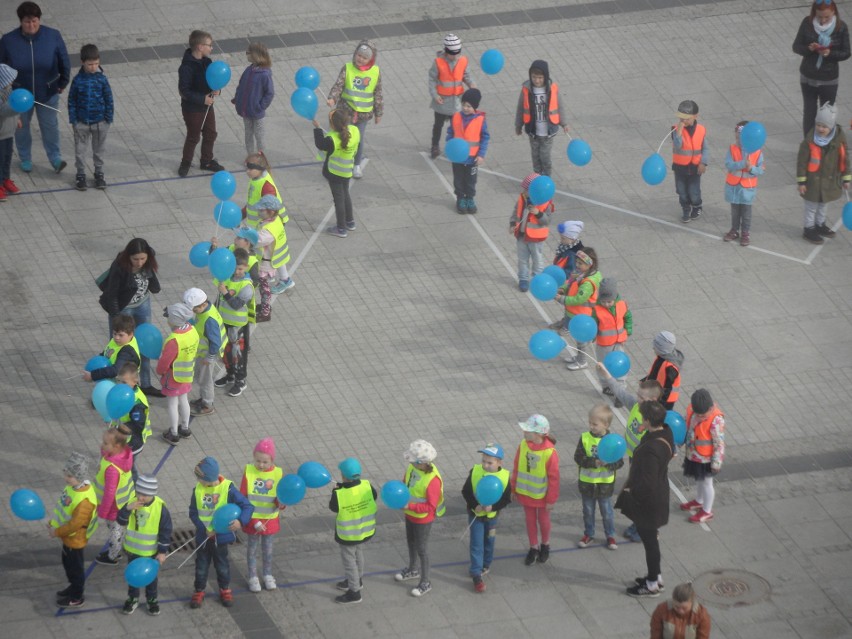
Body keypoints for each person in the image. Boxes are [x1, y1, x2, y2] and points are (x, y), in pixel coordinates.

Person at [0, 1, 70, 173]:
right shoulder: (8, 40)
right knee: (21, 128)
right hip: (18, 95)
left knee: (50, 126)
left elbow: (64, 61)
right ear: (20, 21)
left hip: (47, 92)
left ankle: (55, 158)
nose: (31, 25)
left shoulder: (53, 36)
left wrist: (62, 83)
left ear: (39, 20)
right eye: (27, 21)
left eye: (34, 21)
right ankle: (25, 158)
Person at [597, 366, 664, 542]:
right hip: (635, 458)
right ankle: (640, 524)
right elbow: (620, 392)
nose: (638, 399)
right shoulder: (636, 406)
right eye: (639, 395)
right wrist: (607, 376)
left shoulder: (657, 420)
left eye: (642, 397)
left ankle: (649, 529)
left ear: (654, 399)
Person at [616, 401, 674, 598]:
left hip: (649, 503)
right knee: (652, 541)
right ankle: (655, 577)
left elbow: (647, 482)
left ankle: (651, 584)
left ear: (648, 421)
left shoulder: (651, 449)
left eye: (643, 418)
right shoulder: (666, 433)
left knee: (650, 543)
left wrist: (633, 493)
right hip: (659, 495)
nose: (641, 420)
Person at [98, 238, 163, 397]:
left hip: (143, 304)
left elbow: (151, 280)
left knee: (144, 344)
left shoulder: (148, 259)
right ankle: (115, 386)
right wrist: (116, 319)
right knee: (120, 348)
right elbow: (112, 294)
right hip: (123, 309)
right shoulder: (120, 266)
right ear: (128, 257)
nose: (140, 262)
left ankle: (146, 384)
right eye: (135, 259)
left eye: (143, 258)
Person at [189, 456, 254, 609]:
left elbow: (248, 506)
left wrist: (240, 522)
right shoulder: (197, 490)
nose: (198, 481)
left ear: (209, 477)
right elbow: (193, 512)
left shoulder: (228, 489)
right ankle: (199, 591)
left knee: (222, 565)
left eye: (200, 478)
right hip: (203, 537)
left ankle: (225, 589)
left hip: (221, 538)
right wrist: (204, 528)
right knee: (201, 566)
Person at [326, 39, 382, 179]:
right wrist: (333, 97)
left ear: (370, 59)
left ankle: (356, 165)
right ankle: (333, 161)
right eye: (359, 55)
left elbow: (378, 93)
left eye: (364, 57)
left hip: (363, 114)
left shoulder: (375, 72)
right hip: (346, 111)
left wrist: (378, 112)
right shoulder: (347, 68)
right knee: (341, 136)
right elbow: (339, 84)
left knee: (359, 140)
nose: (360, 59)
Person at [793, 1, 851, 137]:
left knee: (827, 114)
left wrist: (829, 54)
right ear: (814, 13)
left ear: (834, 13)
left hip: (828, 77)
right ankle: (808, 143)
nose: (823, 20)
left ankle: (826, 142)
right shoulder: (807, 23)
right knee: (809, 112)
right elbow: (796, 46)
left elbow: (846, 52)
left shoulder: (841, 27)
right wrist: (809, 49)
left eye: (827, 17)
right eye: (819, 17)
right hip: (808, 75)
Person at [117, 474, 172, 616]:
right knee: (134, 576)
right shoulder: (131, 503)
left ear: (152, 494)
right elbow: (121, 521)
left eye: (145, 495)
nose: (141, 497)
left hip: (150, 553)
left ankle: (152, 599)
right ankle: (132, 598)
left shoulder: (160, 508)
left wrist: (162, 551)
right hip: (132, 551)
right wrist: (127, 509)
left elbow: (165, 531)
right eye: (139, 493)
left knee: (151, 578)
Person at [395, 439, 444, 597]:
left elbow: (431, 506)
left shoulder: (433, 481)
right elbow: (406, 482)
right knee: (411, 542)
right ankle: (412, 569)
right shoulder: (412, 467)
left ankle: (425, 581)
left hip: (423, 519)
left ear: (423, 463)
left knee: (422, 549)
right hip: (410, 515)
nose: (410, 463)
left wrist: (410, 506)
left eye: (413, 461)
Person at [49, 452, 98, 608]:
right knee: (67, 564)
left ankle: (77, 596)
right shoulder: (73, 487)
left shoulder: (84, 501)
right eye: (66, 474)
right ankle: (73, 587)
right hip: (67, 537)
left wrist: (55, 532)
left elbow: (75, 524)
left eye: (69, 476)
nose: (66, 478)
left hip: (75, 539)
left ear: (79, 476)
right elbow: (63, 508)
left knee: (75, 569)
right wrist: (53, 522)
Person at [460, 444, 511, 593]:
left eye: (490, 462)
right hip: (475, 515)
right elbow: (466, 491)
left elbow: (506, 499)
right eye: (484, 461)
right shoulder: (475, 471)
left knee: (489, 540)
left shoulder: (505, 476)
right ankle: (476, 573)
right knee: (476, 544)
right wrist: (474, 505)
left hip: (492, 518)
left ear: (499, 463)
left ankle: (486, 564)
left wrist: (493, 507)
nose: (485, 465)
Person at [797, 101, 849, 244]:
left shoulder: (838, 139)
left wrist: (846, 178)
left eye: (824, 126)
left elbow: (845, 158)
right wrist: (802, 181)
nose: (821, 128)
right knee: (811, 207)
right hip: (812, 182)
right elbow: (801, 163)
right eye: (819, 125)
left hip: (828, 182)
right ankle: (809, 228)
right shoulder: (809, 141)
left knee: (823, 205)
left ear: (831, 126)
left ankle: (820, 225)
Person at [511, 414, 559, 566]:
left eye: (527, 430)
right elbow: (517, 467)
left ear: (538, 434)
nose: (524, 433)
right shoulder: (523, 445)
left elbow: (554, 478)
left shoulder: (549, 452)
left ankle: (545, 545)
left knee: (543, 521)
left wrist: (551, 499)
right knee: (530, 521)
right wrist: (514, 489)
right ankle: (533, 547)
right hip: (526, 493)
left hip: (542, 496)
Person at [575, 404, 624, 550]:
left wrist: (608, 463)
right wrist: (594, 462)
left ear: (606, 424)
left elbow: (619, 462)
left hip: (605, 485)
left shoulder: (613, 441)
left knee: (607, 512)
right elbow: (578, 457)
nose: (591, 426)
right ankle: (589, 534)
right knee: (588, 511)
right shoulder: (584, 438)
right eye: (590, 422)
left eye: (595, 424)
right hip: (587, 483)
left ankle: (610, 535)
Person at [330, 456, 377, 605]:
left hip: (348, 534)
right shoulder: (366, 485)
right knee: (358, 553)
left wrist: (335, 491)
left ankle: (354, 592)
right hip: (364, 530)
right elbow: (373, 496)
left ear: (344, 476)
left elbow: (333, 507)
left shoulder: (340, 493)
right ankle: (358, 579)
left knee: (349, 561)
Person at [240, 438, 285, 593]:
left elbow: (281, 496)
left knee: (268, 550)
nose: (260, 465)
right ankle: (252, 576)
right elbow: (243, 498)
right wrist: (254, 521)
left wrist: (281, 504)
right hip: (253, 521)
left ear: (272, 460)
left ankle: (267, 574)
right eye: (258, 460)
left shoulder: (278, 473)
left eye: (265, 462)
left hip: (270, 521)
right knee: (252, 549)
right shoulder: (249, 471)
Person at [178, 30, 224, 177]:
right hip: (192, 108)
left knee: (211, 133)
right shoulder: (187, 67)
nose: (211, 48)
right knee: (193, 136)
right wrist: (202, 99)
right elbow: (184, 91)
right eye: (209, 45)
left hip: (207, 106)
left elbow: (212, 80)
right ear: (199, 47)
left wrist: (217, 89)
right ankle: (185, 162)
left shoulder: (207, 62)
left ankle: (206, 161)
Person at [68, 43, 113, 191]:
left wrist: (108, 119)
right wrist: (74, 120)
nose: (93, 67)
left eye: (96, 64)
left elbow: (109, 99)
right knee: (80, 151)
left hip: (100, 122)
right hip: (81, 123)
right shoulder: (77, 80)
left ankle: (99, 173)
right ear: (82, 62)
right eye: (90, 64)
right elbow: (71, 101)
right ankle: (80, 174)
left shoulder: (102, 79)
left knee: (99, 149)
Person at [514, 59, 569, 176]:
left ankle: (547, 177)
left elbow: (560, 106)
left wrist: (564, 123)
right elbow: (520, 108)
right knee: (535, 155)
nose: (537, 80)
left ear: (545, 76)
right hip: (533, 130)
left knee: (545, 156)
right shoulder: (526, 89)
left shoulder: (552, 89)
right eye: (534, 77)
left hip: (548, 131)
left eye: (540, 77)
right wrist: (518, 125)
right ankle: (537, 177)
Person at [680, 389, 725, 524]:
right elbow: (686, 426)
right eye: (697, 414)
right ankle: (699, 501)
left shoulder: (716, 420)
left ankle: (707, 510)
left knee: (707, 483)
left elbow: (719, 444)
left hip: (706, 459)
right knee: (698, 479)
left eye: (703, 415)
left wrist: (716, 463)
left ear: (711, 408)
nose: (700, 417)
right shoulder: (692, 411)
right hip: (694, 455)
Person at [213, 249, 254, 397]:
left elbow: (236, 304)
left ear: (246, 268)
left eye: (240, 269)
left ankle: (240, 381)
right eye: (234, 268)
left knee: (238, 354)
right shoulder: (226, 278)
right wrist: (213, 250)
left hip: (237, 326)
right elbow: (215, 268)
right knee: (226, 351)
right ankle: (230, 375)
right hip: (224, 322)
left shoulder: (246, 286)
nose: (237, 271)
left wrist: (225, 292)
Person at [313, 109, 360, 238]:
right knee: (345, 195)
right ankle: (350, 222)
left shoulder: (332, 139)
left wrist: (317, 129)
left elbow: (320, 144)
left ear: (333, 125)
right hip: (347, 170)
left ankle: (341, 228)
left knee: (338, 199)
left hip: (334, 172)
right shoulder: (355, 131)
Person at [428, 33, 475, 159]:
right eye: (452, 53)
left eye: (457, 53)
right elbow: (432, 79)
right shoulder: (438, 62)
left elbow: (466, 75)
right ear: (446, 51)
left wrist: (471, 84)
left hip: (457, 102)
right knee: (438, 125)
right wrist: (435, 95)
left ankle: (454, 147)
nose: (455, 56)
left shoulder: (463, 60)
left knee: (456, 126)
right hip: (441, 102)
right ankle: (435, 146)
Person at [93, 424, 134, 566]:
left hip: (114, 506)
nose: (102, 445)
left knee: (115, 530)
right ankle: (118, 548)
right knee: (118, 528)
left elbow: (110, 493)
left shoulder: (112, 469)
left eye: (105, 443)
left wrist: (103, 512)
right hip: (123, 501)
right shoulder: (122, 454)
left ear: (116, 446)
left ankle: (113, 555)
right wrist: (105, 449)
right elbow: (105, 454)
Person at [158, 303, 199, 445]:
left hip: (173, 376)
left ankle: (174, 433)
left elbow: (165, 362)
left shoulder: (174, 340)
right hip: (187, 374)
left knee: (172, 403)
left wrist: (160, 371)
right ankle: (185, 428)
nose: (167, 319)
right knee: (184, 400)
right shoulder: (192, 330)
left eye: (168, 317)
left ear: (174, 320)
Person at [183, 287, 225, 417]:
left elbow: (215, 341)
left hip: (207, 354)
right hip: (205, 352)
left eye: (194, 309)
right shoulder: (207, 310)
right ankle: (204, 399)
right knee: (203, 378)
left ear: (202, 304)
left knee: (206, 380)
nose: (193, 311)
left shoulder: (209, 320)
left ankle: (207, 405)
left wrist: (210, 357)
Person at [557, 248, 601, 371]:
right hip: (574, 313)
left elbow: (579, 299)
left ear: (589, 264)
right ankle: (579, 357)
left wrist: (562, 299)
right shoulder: (581, 274)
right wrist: (563, 289)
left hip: (581, 316)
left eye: (580, 263)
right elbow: (571, 283)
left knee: (581, 340)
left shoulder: (588, 282)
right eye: (577, 262)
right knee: (578, 339)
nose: (577, 265)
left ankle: (582, 362)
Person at [446, 88, 489, 213]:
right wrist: (449, 145)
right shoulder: (456, 117)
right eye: (463, 105)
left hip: (472, 158)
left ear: (475, 107)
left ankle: (469, 198)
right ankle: (460, 198)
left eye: (469, 106)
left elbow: (485, 137)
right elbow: (451, 132)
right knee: (458, 179)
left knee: (471, 180)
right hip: (457, 157)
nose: (465, 108)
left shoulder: (480, 120)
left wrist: (481, 155)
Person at [724, 120, 765, 247]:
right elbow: (728, 165)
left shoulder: (757, 152)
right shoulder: (732, 149)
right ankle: (734, 230)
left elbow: (761, 170)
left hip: (748, 189)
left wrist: (751, 168)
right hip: (734, 187)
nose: (738, 139)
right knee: (735, 212)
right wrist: (742, 163)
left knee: (746, 213)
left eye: (740, 136)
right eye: (736, 136)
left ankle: (745, 233)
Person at [511, 172, 553, 292]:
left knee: (537, 259)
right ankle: (523, 279)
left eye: (526, 189)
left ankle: (537, 279)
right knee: (522, 259)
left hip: (536, 238)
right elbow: (516, 212)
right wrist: (513, 224)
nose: (524, 191)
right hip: (522, 236)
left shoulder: (545, 203)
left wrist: (538, 213)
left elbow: (547, 220)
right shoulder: (522, 199)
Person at [591, 278, 632, 402]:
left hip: (619, 343)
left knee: (620, 365)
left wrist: (628, 330)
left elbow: (628, 317)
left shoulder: (622, 304)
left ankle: (620, 391)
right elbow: (593, 325)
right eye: (603, 301)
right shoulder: (596, 310)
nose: (606, 304)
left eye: (609, 301)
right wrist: (591, 335)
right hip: (603, 345)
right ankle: (606, 386)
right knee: (602, 366)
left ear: (615, 297)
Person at [671, 100, 709, 224]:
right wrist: (679, 132)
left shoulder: (701, 130)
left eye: (686, 118)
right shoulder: (675, 130)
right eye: (681, 118)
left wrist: (703, 162)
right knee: (681, 190)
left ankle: (697, 206)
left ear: (695, 116)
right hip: (680, 168)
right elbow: (678, 146)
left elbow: (705, 148)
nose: (683, 121)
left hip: (694, 168)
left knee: (694, 191)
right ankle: (685, 208)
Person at [233, 42, 274, 155]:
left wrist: (260, 106)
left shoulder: (264, 74)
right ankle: (250, 156)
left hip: (257, 112)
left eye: (248, 53)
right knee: (248, 134)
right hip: (246, 110)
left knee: (259, 136)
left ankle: (261, 157)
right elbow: (241, 86)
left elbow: (269, 93)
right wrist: (237, 98)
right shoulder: (249, 70)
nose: (246, 55)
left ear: (255, 55)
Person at [112, 362, 150, 480]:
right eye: (119, 381)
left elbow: (138, 425)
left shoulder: (137, 402)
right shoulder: (123, 393)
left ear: (135, 382)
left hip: (134, 441)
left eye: (124, 382)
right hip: (123, 437)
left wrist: (122, 428)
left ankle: (135, 486)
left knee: (129, 467)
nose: (120, 385)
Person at [251, 194, 294, 295]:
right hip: (278, 251)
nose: (258, 212)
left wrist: (247, 239)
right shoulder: (276, 219)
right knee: (280, 263)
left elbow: (257, 241)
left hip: (269, 255)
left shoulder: (268, 230)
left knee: (263, 272)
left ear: (271, 212)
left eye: (261, 210)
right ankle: (285, 280)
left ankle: (265, 287)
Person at [82, 314, 140, 383]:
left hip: (123, 387)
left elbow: (115, 370)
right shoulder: (116, 341)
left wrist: (93, 375)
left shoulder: (128, 351)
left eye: (121, 335)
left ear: (131, 334)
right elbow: (104, 355)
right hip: (111, 383)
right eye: (115, 333)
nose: (116, 337)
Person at [640, 331, 684, 411]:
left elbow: (667, 390)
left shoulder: (670, 368)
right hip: (655, 396)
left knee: (661, 420)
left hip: (665, 403)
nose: (653, 348)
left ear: (662, 349)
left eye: (655, 347)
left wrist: (658, 406)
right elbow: (655, 373)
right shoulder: (661, 357)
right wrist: (644, 380)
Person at [242, 152, 282, 229]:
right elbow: (252, 201)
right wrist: (242, 214)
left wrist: (262, 226)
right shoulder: (254, 180)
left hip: (263, 226)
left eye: (250, 168)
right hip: (256, 224)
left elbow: (270, 209)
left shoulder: (266, 186)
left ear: (259, 169)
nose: (247, 171)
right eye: (247, 168)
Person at [0, 64, 21, 200]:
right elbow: (4, 111)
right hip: (1, 133)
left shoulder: (10, 91)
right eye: (9, 80)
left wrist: (17, 119)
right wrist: (17, 108)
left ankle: (6, 179)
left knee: (7, 158)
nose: (12, 82)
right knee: (0, 159)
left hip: (9, 132)